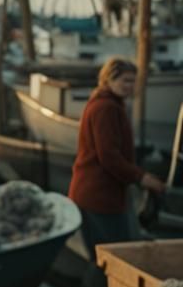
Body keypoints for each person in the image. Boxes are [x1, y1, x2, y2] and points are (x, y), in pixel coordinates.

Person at [68, 56, 166, 261]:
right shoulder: (106, 108)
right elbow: (109, 157)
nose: (130, 86)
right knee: (113, 258)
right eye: (125, 80)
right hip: (99, 196)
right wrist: (142, 178)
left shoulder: (106, 103)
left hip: (95, 194)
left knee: (106, 256)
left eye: (133, 81)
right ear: (108, 80)